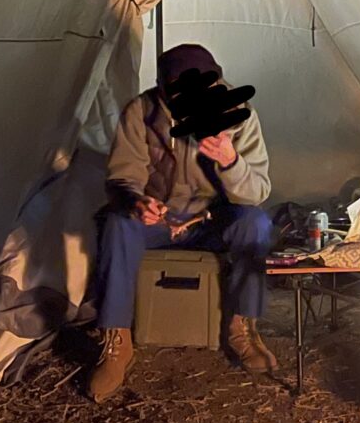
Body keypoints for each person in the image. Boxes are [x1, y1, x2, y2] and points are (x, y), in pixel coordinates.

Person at [86, 43, 277, 400]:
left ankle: (244, 328)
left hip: (212, 220)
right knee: (116, 224)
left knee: (256, 223)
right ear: (164, 91)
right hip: (157, 220)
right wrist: (137, 202)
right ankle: (116, 341)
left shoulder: (240, 116)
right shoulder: (140, 112)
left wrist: (231, 161)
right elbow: (122, 178)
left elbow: (257, 192)